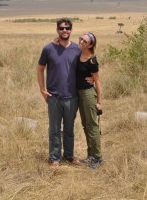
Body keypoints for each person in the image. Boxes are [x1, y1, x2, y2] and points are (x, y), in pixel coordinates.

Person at [37, 18, 91, 167]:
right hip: (54, 96)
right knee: (54, 129)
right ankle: (54, 158)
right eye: (61, 28)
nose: (64, 30)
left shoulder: (77, 49)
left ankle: (69, 156)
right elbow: (40, 69)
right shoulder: (48, 49)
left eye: (67, 28)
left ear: (71, 30)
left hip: (72, 96)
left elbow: (89, 60)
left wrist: (92, 78)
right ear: (57, 30)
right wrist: (42, 90)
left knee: (69, 128)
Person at [77, 32, 103, 169]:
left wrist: (99, 102)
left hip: (88, 94)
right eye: (81, 39)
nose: (81, 42)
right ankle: (90, 155)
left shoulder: (92, 61)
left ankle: (98, 158)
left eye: (85, 41)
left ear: (91, 45)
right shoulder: (77, 54)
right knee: (85, 125)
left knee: (92, 126)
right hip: (79, 94)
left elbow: (97, 82)